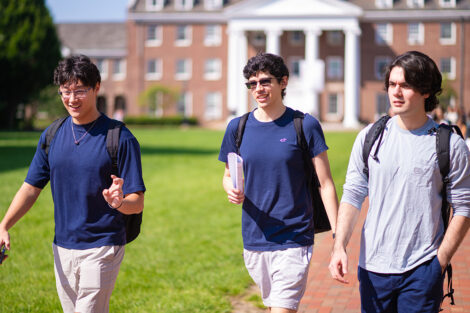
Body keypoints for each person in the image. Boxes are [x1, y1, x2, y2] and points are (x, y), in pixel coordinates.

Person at [0, 55, 146, 313]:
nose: (71, 99)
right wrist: (4, 224)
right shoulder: (52, 135)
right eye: (65, 92)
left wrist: (119, 201)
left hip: (103, 245)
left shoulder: (119, 138)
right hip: (62, 247)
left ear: (97, 87)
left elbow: (137, 203)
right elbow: (31, 187)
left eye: (80, 91)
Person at [329, 51, 470, 312]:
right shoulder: (370, 137)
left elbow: (464, 207)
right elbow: (353, 194)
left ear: (426, 90)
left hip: (422, 268)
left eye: (405, 85)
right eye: (392, 84)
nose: (396, 92)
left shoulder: (449, 144)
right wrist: (339, 246)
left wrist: (439, 261)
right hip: (372, 267)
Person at [219, 53, 338, 313]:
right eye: (252, 84)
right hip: (255, 237)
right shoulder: (237, 128)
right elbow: (228, 175)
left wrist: (338, 236)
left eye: (265, 81)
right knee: (273, 306)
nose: (258, 89)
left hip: (294, 236)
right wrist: (232, 190)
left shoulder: (304, 125)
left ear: (283, 82)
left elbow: (325, 183)